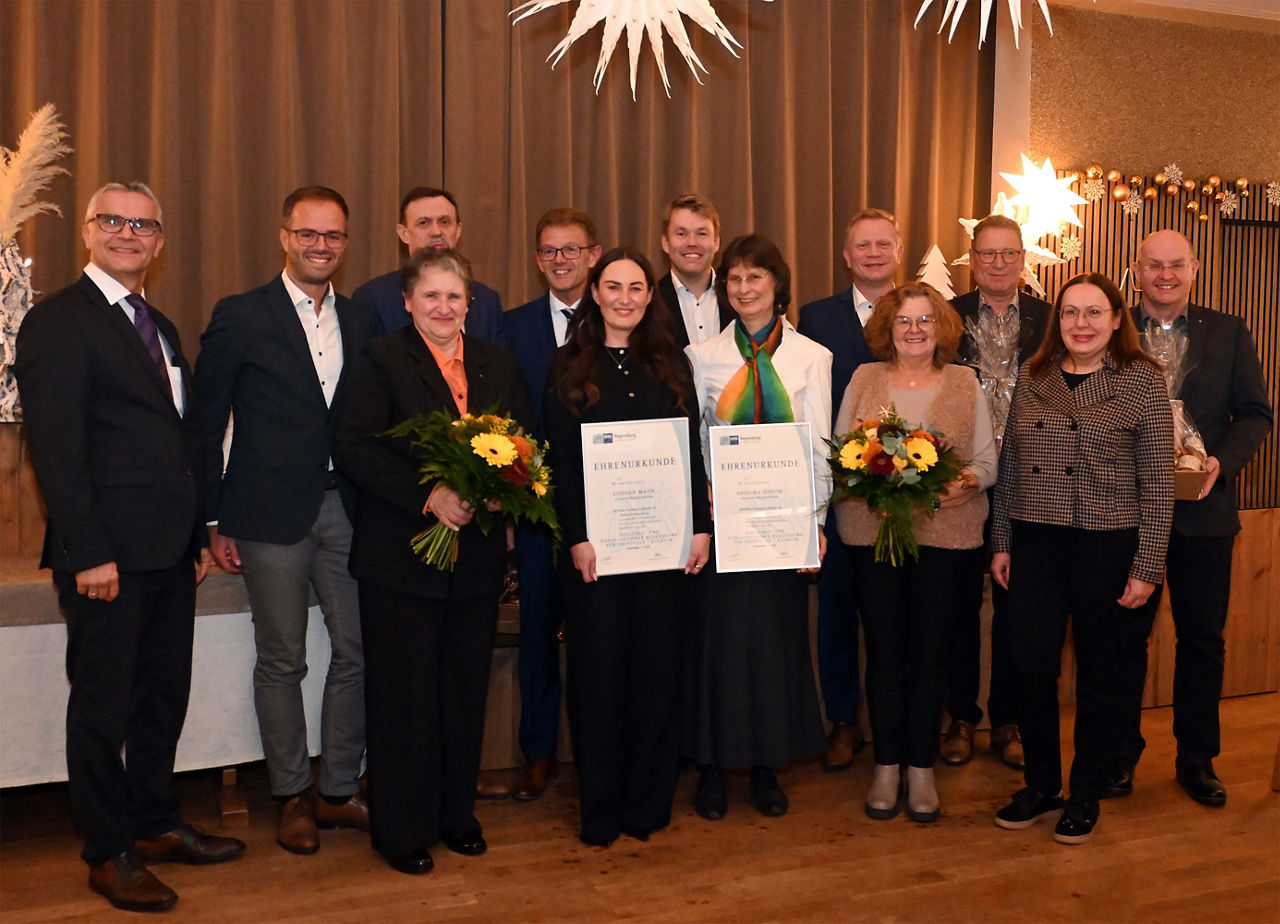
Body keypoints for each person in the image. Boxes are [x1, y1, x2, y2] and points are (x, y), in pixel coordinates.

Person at [15, 182, 244, 913]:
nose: (128, 233)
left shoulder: (161, 325)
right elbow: (56, 449)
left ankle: (154, 824)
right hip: (106, 558)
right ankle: (107, 850)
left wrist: (201, 532)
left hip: (171, 555)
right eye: (113, 220)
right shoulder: (57, 322)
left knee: (160, 700)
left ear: (159, 240)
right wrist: (87, 553)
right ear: (87, 231)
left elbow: (180, 439)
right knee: (103, 710)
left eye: (143, 224)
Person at [332, 248, 530, 874]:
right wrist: (429, 494)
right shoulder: (380, 359)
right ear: (409, 302)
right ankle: (400, 829)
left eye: (455, 297)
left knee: (461, 694)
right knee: (404, 700)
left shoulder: (496, 361)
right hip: (400, 562)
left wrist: (504, 485)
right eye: (431, 296)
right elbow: (354, 446)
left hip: (473, 562)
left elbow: (522, 443)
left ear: (469, 305)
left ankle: (456, 814)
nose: (444, 307)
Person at [195, 186, 378, 855]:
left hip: (347, 510)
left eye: (333, 236)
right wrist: (211, 518)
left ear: (346, 243)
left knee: (356, 652)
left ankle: (337, 790)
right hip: (267, 515)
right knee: (283, 659)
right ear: (284, 236)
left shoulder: (361, 322)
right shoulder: (242, 315)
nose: (320, 246)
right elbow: (207, 420)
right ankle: (291, 794)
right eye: (309, 234)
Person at [991, 272, 1173, 845]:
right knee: (1030, 666)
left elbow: (1159, 481)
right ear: (1057, 321)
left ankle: (1086, 791)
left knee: (1102, 675)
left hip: (1108, 543)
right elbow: (1013, 466)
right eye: (1070, 313)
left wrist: (1147, 566)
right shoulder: (1032, 374)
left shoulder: (1143, 381)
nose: (1081, 324)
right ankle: (1042, 783)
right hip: (1035, 541)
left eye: (1094, 312)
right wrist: (1001, 541)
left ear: (1117, 319)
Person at [543, 248, 712, 847]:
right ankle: (602, 808)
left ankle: (648, 804)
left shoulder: (671, 364)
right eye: (612, 286)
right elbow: (560, 463)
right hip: (596, 558)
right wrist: (579, 537)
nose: (624, 298)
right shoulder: (567, 366)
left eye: (636, 287)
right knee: (599, 678)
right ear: (594, 293)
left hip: (665, 553)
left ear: (649, 296)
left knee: (656, 674)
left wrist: (699, 525)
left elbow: (690, 451)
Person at [1115, 230, 1272, 805]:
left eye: (1176, 265)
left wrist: (1218, 463)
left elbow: (1255, 414)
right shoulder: (1112, 327)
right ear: (1136, 271)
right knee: (1122, 642)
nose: (1164, 275)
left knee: (1202, 641)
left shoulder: (1228, 331)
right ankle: (1118, 756)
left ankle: (1197, 758)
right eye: (1153, 265)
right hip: (1125, 516)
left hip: (1205, 516)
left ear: (1195, 268)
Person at [833, 282, 997, 824]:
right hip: (872, 535)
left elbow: (987, 461)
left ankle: (921, 768)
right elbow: (840, 456)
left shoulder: (963, 381)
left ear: (941, 328)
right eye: (904, 321)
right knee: (883, 652)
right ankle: (886, 764)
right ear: (888, 328)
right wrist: (868, 479)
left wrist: (968, 483)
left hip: (946, 538)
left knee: (930, 653)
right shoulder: (863, 379)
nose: (914, 330)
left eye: (925, 321)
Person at [685, 233, 831, 819]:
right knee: (716, 650)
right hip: (724, 530)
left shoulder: (811, 358)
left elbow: (821, 445)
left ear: (777, 284)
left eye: (756, 277)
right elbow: (697, 443)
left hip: (783, 529)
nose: (745, 289)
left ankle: (768, 766)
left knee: (774, 648)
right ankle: (712, 768)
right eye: (735, 279)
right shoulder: (703, 358)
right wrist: (706, 505)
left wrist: (815, 524)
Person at [942, 213, 1050, 769]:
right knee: (961, 603)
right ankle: (961, 716)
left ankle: (1008, 719)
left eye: (1009, 253)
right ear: (973, 258)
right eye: (988, 254)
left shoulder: (1054, 321)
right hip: (962, 483)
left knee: (1019, 607)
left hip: (1034, 483)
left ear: (1023, 257)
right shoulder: (946, 318)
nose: (999, 263)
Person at [501, 207, 602, 801]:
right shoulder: (512, 326)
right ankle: (537, 754)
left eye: (571, 249)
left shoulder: (621, 318)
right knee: (537, 635)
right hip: (538, 512)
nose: (560, 260)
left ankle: (596, 750)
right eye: (549, 251)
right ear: (537, 260)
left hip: (608, 509)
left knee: (598, 636)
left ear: (593, 254)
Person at [796, 208, 900, 771]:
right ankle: (843, 721)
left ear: (899, 250)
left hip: (907, 490)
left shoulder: (919, 313)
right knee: (836, 612)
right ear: (846, 255)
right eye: (863, 245)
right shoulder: (815, 317)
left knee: (896, 615)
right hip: (838, 491)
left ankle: (900, 720)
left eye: (884, 243)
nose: (874, 253)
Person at [352, 186, 504, 341]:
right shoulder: (373, 299)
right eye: (424, 223)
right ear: (403, 234)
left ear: (458, 231)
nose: (436, 232)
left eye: (444, 222)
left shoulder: (487, 301)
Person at [656, 192, 735, 347]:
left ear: (716, 242)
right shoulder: (649, 302)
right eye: (681, 234)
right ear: (665, 243)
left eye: (702, 233)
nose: (692, 242)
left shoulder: (739, 297)